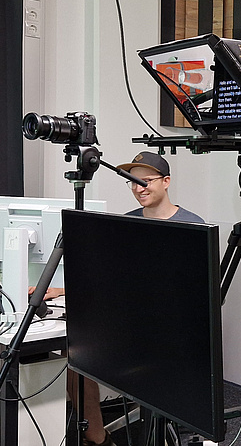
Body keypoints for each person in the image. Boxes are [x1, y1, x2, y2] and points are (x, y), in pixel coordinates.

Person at [32, 151, 204, 446]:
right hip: (129, 324)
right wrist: (65, 290)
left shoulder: (192, 226)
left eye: (146, 181)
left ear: (166, 182)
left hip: (169, 334)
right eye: (133, 182)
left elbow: (195, 297)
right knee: (75, 354)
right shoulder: (128, 223)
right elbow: (112, 277)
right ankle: (98, 438)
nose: (139, 188)